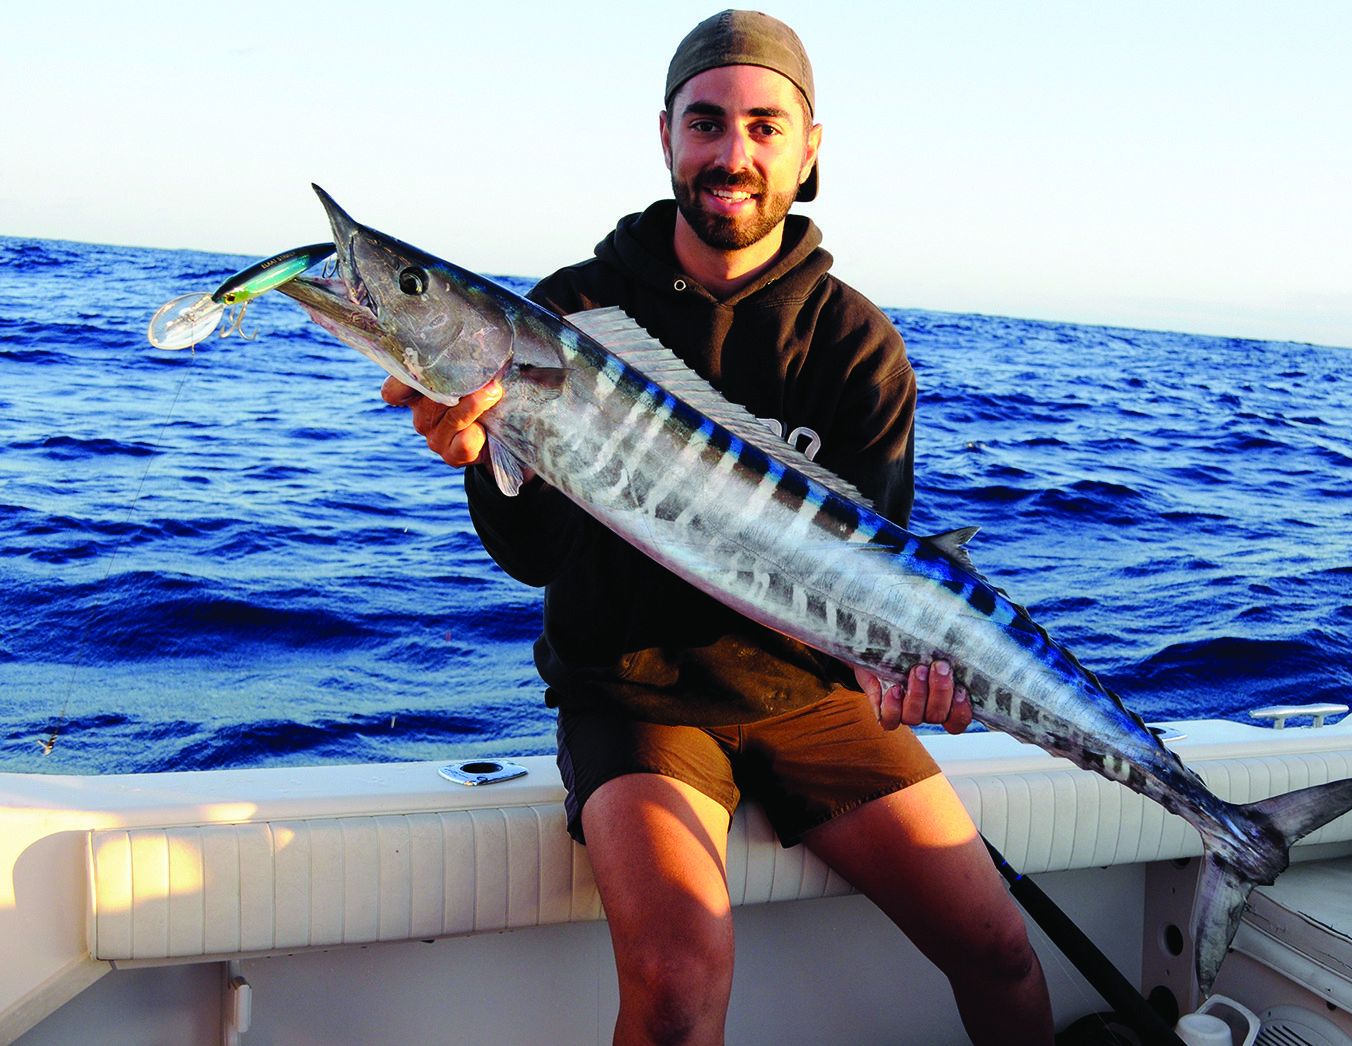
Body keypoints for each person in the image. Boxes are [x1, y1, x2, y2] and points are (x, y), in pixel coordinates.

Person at [383, 11, 1055, 1045]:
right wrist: (481, 460)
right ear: (665, 137)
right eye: (706, 123)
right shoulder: (570, 313)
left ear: (809, 147)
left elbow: (873, 584)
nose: (732, 154)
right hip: (636, 693)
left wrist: (920, 676)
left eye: (763, 126)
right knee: (679, 984)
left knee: (1004, 952)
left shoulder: (857, 344)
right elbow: (531, 557)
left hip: (813, 698)